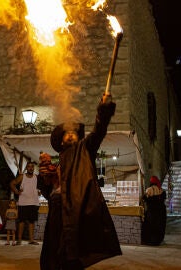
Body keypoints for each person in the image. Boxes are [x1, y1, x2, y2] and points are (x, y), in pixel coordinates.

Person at [38, 93, 121, 270]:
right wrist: (45, 180)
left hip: (75, 209)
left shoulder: (84, 150)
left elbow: (99, 131)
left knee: (71, 254)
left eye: (73, 133)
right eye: (66, 134)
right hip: (56, 208)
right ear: (60, 140)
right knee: (53, 252)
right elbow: (49, 192)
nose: (70, 135)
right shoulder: (59, 162)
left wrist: (104, 109)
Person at [10, 162, 40, 245]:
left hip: (34, 202)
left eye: (32, 167)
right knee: (21, 221)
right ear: (26, 168)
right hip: (23, 202)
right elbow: (12, 183)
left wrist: (39, 192)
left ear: (34, 168)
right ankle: (19, 240)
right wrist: (16, 191)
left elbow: (39, 187)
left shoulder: (36, 177)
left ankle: (31, 240)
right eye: (29, 167)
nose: (31, 168)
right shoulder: (22, 176)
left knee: (31, 222)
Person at [141, 176, 167, 246]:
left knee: (150, 225)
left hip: (152, 211)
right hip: (161, 211)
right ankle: (158, 241)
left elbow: (145, 199)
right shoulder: (162, 190)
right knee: (159, 226)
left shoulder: (149, 190)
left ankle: (150, 241)